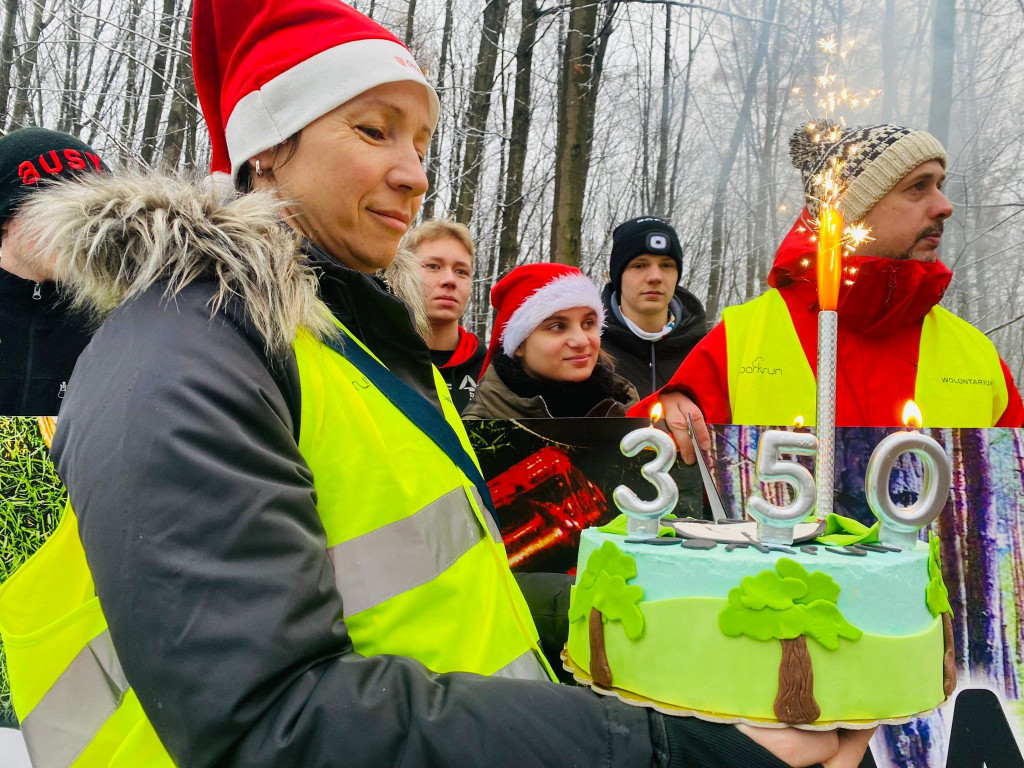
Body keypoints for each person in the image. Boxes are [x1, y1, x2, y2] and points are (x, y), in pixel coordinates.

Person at [0, 4, 871, 767]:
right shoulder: (187, 348)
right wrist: (659, 752)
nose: (415, 172)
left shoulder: (354, 346)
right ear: (267, 149)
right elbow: (269, 722)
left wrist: (655, 598)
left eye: (421, 141)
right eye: (375, 131)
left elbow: (440, 586)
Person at [639, 121, 1024, 460]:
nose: (944, 206)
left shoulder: (977, 355)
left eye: (940, 185)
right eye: (918, 187)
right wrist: (663, 411)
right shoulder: (744, 336)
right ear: (851, 208)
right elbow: (640, 468)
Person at [0, 127, 106, 415]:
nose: (78, 230)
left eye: (91, 214)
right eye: (58, 210)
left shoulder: (113, 325)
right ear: (6, 217)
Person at [464, 263, 638, 419]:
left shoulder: (627, 408)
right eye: (557, 327)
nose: (581, 341)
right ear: (518, 345)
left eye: (588, 323)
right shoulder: (479, 430)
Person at [600, 216, 707, 398]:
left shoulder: (706, 352)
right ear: (618, 276)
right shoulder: (591, 350)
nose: (655, 276)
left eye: (666, 265)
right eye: (639, 265)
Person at [403, 219, 485, 412]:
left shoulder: (491, 371)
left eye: (461, 271)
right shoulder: (376, 359)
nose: (450, 280)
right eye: (433, 266)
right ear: (404, 272)